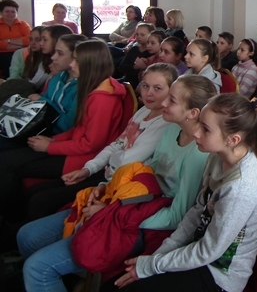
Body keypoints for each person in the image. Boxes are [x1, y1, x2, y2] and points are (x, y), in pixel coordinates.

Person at [17, 74, 215, 292]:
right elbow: (146, 174)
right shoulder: (171, 130)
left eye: (172, 100)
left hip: (147, 223)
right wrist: (109, 188)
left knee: (37, 268)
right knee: (27, 236)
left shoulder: (198, 154)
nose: (164, 102)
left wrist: (112, 212)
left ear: (192, 113)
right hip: (132, 203)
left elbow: (176, 217)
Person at [111, 93, 257, 292]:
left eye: (206, 129)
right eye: (199, 123)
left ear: (233, 140)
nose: (196, 132)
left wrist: (152, 265)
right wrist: (158, 256)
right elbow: (198, 211)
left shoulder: (242, 188)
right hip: (197, 253)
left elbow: (208, 251)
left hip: (218, 277)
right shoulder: (217, 157)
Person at [24, 63, 179, 221]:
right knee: (37, 190)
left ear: (171, 92)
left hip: (121, 183)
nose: (149, 93)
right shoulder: (143, 111)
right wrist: (88, 169)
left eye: (158, 88)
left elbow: (128, 160)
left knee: (41, 200)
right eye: (145, 86)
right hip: (108, 171)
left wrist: (110, 159)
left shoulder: (165, 124)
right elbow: (115, 145)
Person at [0, 39, 127, 221]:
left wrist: (50, 147)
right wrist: (54, 140)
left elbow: (91, 144)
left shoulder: (103, 98)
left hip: (81, 159)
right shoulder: (93, 88)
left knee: (8, 164)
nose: (72, 65)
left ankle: (11, 222)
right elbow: (78, 128)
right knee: (8, 159)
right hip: (71, 148)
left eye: (77, 61)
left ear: (90, 65)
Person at [0, 0, 32, 78]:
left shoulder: (23, 24)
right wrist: (21, 44)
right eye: (7, 11)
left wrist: (8, 41)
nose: (10, 14)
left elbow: (30, 39)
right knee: (8, 60)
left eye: (13, 12)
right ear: (1, 12)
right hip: (2, 54)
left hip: (21, 52)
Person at [118, 23, 155, 88]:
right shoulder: (134, 49)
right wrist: (133, 67)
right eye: (137, 34)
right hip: (125, 79)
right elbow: (121, 67)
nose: (138, 37)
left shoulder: (151, 53)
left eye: (142, 35)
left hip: (137, 83)